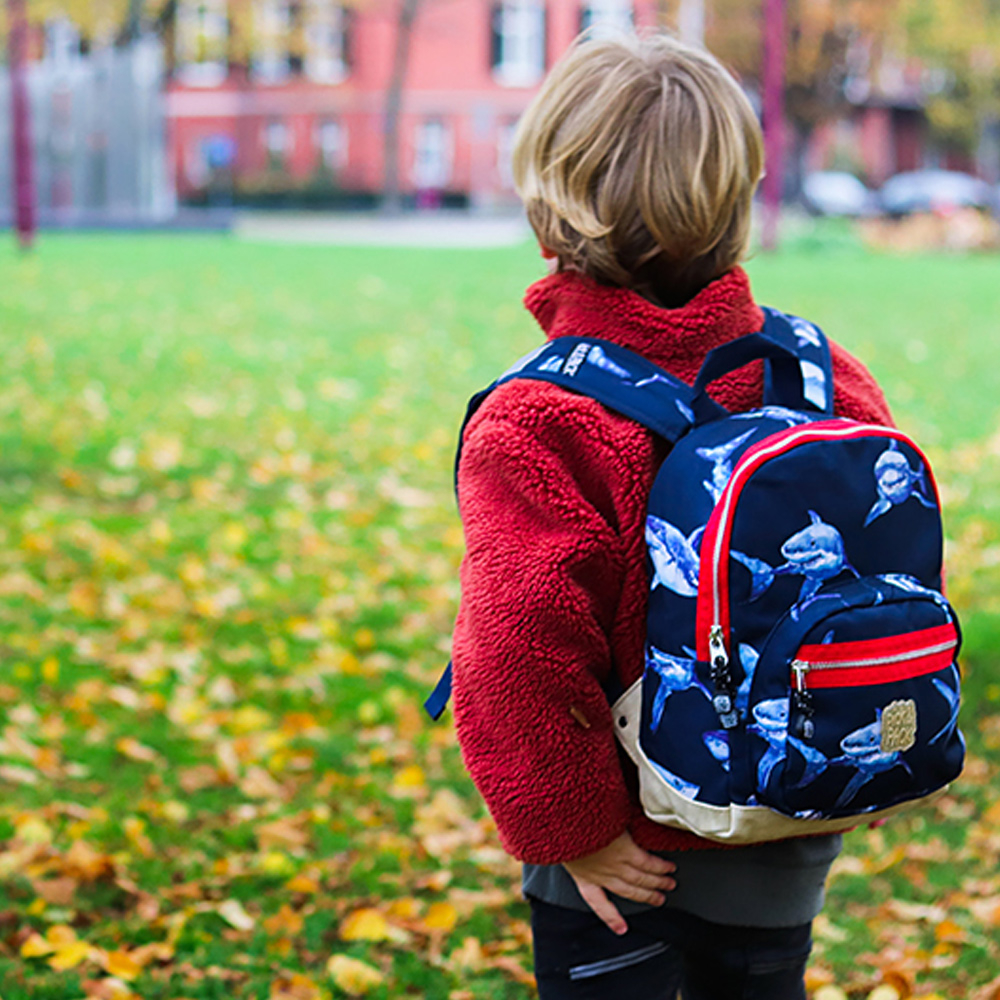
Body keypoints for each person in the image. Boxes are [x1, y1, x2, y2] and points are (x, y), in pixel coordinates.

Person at [450, 32, 893, 999]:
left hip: (622, 855)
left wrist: (574, 834)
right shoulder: (821, 375)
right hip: (789, 817)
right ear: (738, 194)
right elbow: (883, 575)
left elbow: (518, 650)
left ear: (551, 200)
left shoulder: (544, 417)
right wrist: (865, 745)